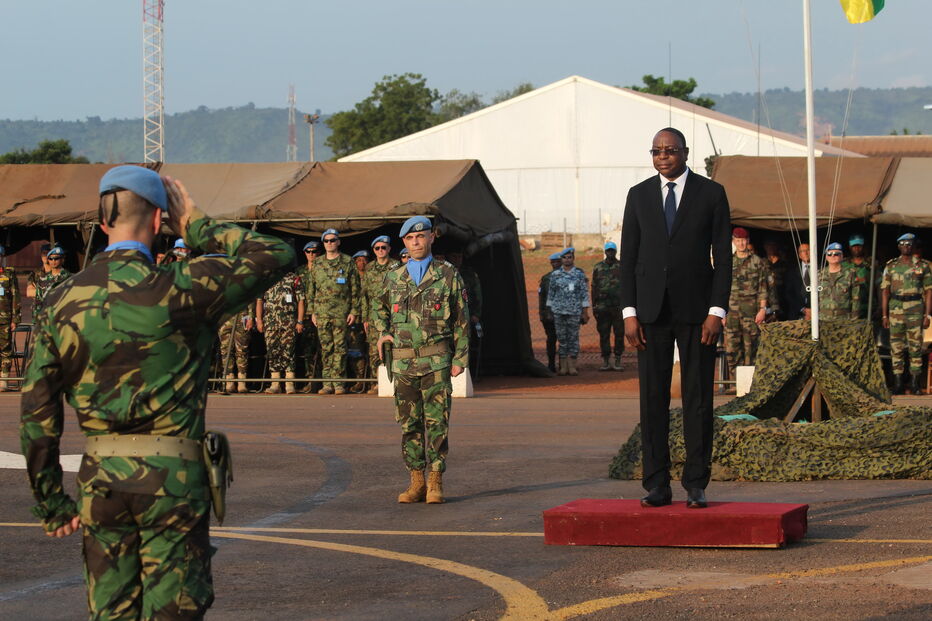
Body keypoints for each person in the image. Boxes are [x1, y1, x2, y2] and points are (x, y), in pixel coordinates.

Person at [19, 165, 293, 619]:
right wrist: (197, 223)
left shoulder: (62, 299)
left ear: (104, 222)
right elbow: (276, 253)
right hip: (172, 480)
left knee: (111, 612)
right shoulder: (185, 286)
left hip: (101, 480)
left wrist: (51, 501)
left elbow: (36, 412)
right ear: (157, 221)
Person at [620, 127, 732, 509]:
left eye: (669, 150)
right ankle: (657, 484)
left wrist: (716, 311)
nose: (662, 156)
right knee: (652, 400)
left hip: (697, 314)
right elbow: (629, 259)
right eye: (656, 150)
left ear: (685, 152)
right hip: (650, 314)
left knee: (697, 400)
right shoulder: (638, 196)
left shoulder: (711, 194)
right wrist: (629, 313)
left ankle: (696, 484)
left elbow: (723, 257)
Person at [374, 216, 469, 504]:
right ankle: (416, 481)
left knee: (437, 423)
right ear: (404, 242)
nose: (416, 242)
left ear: (431, 238)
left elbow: (462, 318)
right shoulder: (392, 277)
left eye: (421, 237)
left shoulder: (448, 275)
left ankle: (435, 480)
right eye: (410, 239)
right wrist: (382, 333)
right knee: (409, 425)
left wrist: (461, 357)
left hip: (437, 361)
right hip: (403, 364)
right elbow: (377, 310)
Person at [307, 228, 361, 395]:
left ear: (338, 241)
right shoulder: (317, 263)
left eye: (332, 240)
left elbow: (355, 288)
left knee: (341, 348)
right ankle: (327, 383)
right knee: (326, 348)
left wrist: (354, 311)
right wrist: (312, 312)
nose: (330, 243)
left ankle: (339, 383)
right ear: (323, 243)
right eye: (326, 241)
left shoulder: (347, 261)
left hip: (341, 313)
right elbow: (311, 288)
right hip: (322, 313)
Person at [881, 233, 932, 395]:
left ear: (914, 246)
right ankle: (898, 383)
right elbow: (885, 291)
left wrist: (927, 315)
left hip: (915, 308)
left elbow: (929, 291)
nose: (906, 246)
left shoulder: (923, 266)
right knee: (896, 347)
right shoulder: (891, 266)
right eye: (903, 244)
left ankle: (915, 383)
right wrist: (884, 315)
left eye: (909, 244)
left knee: (915, 347)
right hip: (895, 308)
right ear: (898, 246)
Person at [724, 227, 768, 381]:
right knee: (731, 348)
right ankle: (737, 381)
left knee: (751, 348)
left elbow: (763, 287)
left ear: (748, 241)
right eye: (738, 240)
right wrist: (721, 313)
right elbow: (721, 287)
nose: (741, 243)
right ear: (733, 242)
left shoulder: (757, 262)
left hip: (752, 312)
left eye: (743, 240)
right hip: (731, 312)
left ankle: (749, 383)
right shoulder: (728, 262)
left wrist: (763, 309)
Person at [362, 235, 401, 394]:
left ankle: (396, 379)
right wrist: (364, 317)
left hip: (393, 313)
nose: (380, 251)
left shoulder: (396, 266)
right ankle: (378, 382)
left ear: (389, 249)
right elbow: (363, 295)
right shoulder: (369, 268)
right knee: (373, 349)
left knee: (395, 346)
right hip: (373, 315)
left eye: (383, 247)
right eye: (377, 248)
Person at [256, 269, 305, 393]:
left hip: (289, 322)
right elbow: (259, 301)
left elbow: (301, 301)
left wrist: (299, 321)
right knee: (273, 351)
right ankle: (275, 383)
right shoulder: (265, 279)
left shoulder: (294, 278)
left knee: (289, 350)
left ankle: (289, 384)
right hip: (270, 322)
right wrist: (259, 321)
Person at [546, 247, 590, 376]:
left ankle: (572, 366)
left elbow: (584, 294)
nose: (567, 259)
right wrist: (549, 310)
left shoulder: (579, 274)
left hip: (574, 311)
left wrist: (585, 312)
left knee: (573, 339)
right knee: (562, 339)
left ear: (573, 258)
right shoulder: (555, 275)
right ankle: (563, 366)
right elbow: (551, 293)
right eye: (564, 257)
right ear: (561, 259)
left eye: (569, 257)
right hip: (558, 311)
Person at [591, 241, 625, 371]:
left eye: (612, 250)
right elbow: (594, 287)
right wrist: (594, 305)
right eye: (608, 250)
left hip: (618, 307)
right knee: (604, 334)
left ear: (616, 252)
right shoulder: (598, 267)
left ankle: (617, 359)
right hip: (602, 307)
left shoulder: (621, 266)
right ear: (605, 252)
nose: (610, 252)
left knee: (619, 333)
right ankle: (605, 360)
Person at [297, 240, 323, 393]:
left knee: (323, 349)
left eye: (315, 251)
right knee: (308, 350)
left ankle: (323, 380)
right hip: (304, 315)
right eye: (309, 252)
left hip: (321, 313)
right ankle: (310, 380)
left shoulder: (324, 269)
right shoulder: (299, 271)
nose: (312, 254)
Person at [347, 250, 371, 392]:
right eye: (359, 260)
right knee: (356, 351)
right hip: (356, 320)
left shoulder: (372, 276)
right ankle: (360, 379)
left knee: (372, 351)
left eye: (364, 260)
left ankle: (373, 380)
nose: (362, 263)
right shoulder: (351, 278)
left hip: (370, 319)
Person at [819, 242, 861, 320]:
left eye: (836, 254)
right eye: (829, 254)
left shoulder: (850, 273)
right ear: (826, 257)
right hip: (823, 319)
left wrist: (854, 319)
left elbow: (856, 298)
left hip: (844, 318)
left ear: (842, 256)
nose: (833, 256)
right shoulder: (819, 275)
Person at [843, 234, 880, 320]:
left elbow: (879, 285)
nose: (856, 248)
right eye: (854, 246)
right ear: (849, 247)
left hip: (869, 307)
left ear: (863, 246)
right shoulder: (844, 264)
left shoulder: (872, 263)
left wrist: (880, 307)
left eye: (859, 246)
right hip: (849, 307)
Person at [217, 308, 253, 393]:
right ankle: (229, 381)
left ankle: (242, 382)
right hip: (224, 318)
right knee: (225, 351)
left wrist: (251, 317)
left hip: (242, 317)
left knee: (242, 350)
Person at [0, 243, 21, 391]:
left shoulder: (9, 273)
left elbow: (16, 296)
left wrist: (15, 318)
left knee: (5, 348)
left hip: (5, 318)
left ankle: (4, 378)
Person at [538, 253, 563, 372]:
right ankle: (551, 364)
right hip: (550, 316)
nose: (555, 264)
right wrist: (542, 314)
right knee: (551, 339)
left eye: (557, 261)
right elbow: (541, 298)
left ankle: (564, 365)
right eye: (553, 262)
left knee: (564, 340)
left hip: (564, 314)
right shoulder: (546, 278)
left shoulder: (567, 276)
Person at [32, 246, 72, 315]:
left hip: (63, 316)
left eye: (56, 258)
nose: (53, 261)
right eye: (51, 259)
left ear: (62, 260)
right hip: (46, 317)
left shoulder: (70, 277)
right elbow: (38, 300)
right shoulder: (43, 278)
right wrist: (36, 319)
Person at [783, 242, 813, 321]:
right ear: (799, 255)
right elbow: (788, 293)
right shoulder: (792, 271)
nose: (806, 253)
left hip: (817, 313)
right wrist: (803, 309)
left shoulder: (821, 269)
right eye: (802, 251)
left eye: (808, 250)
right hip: (797, 314)